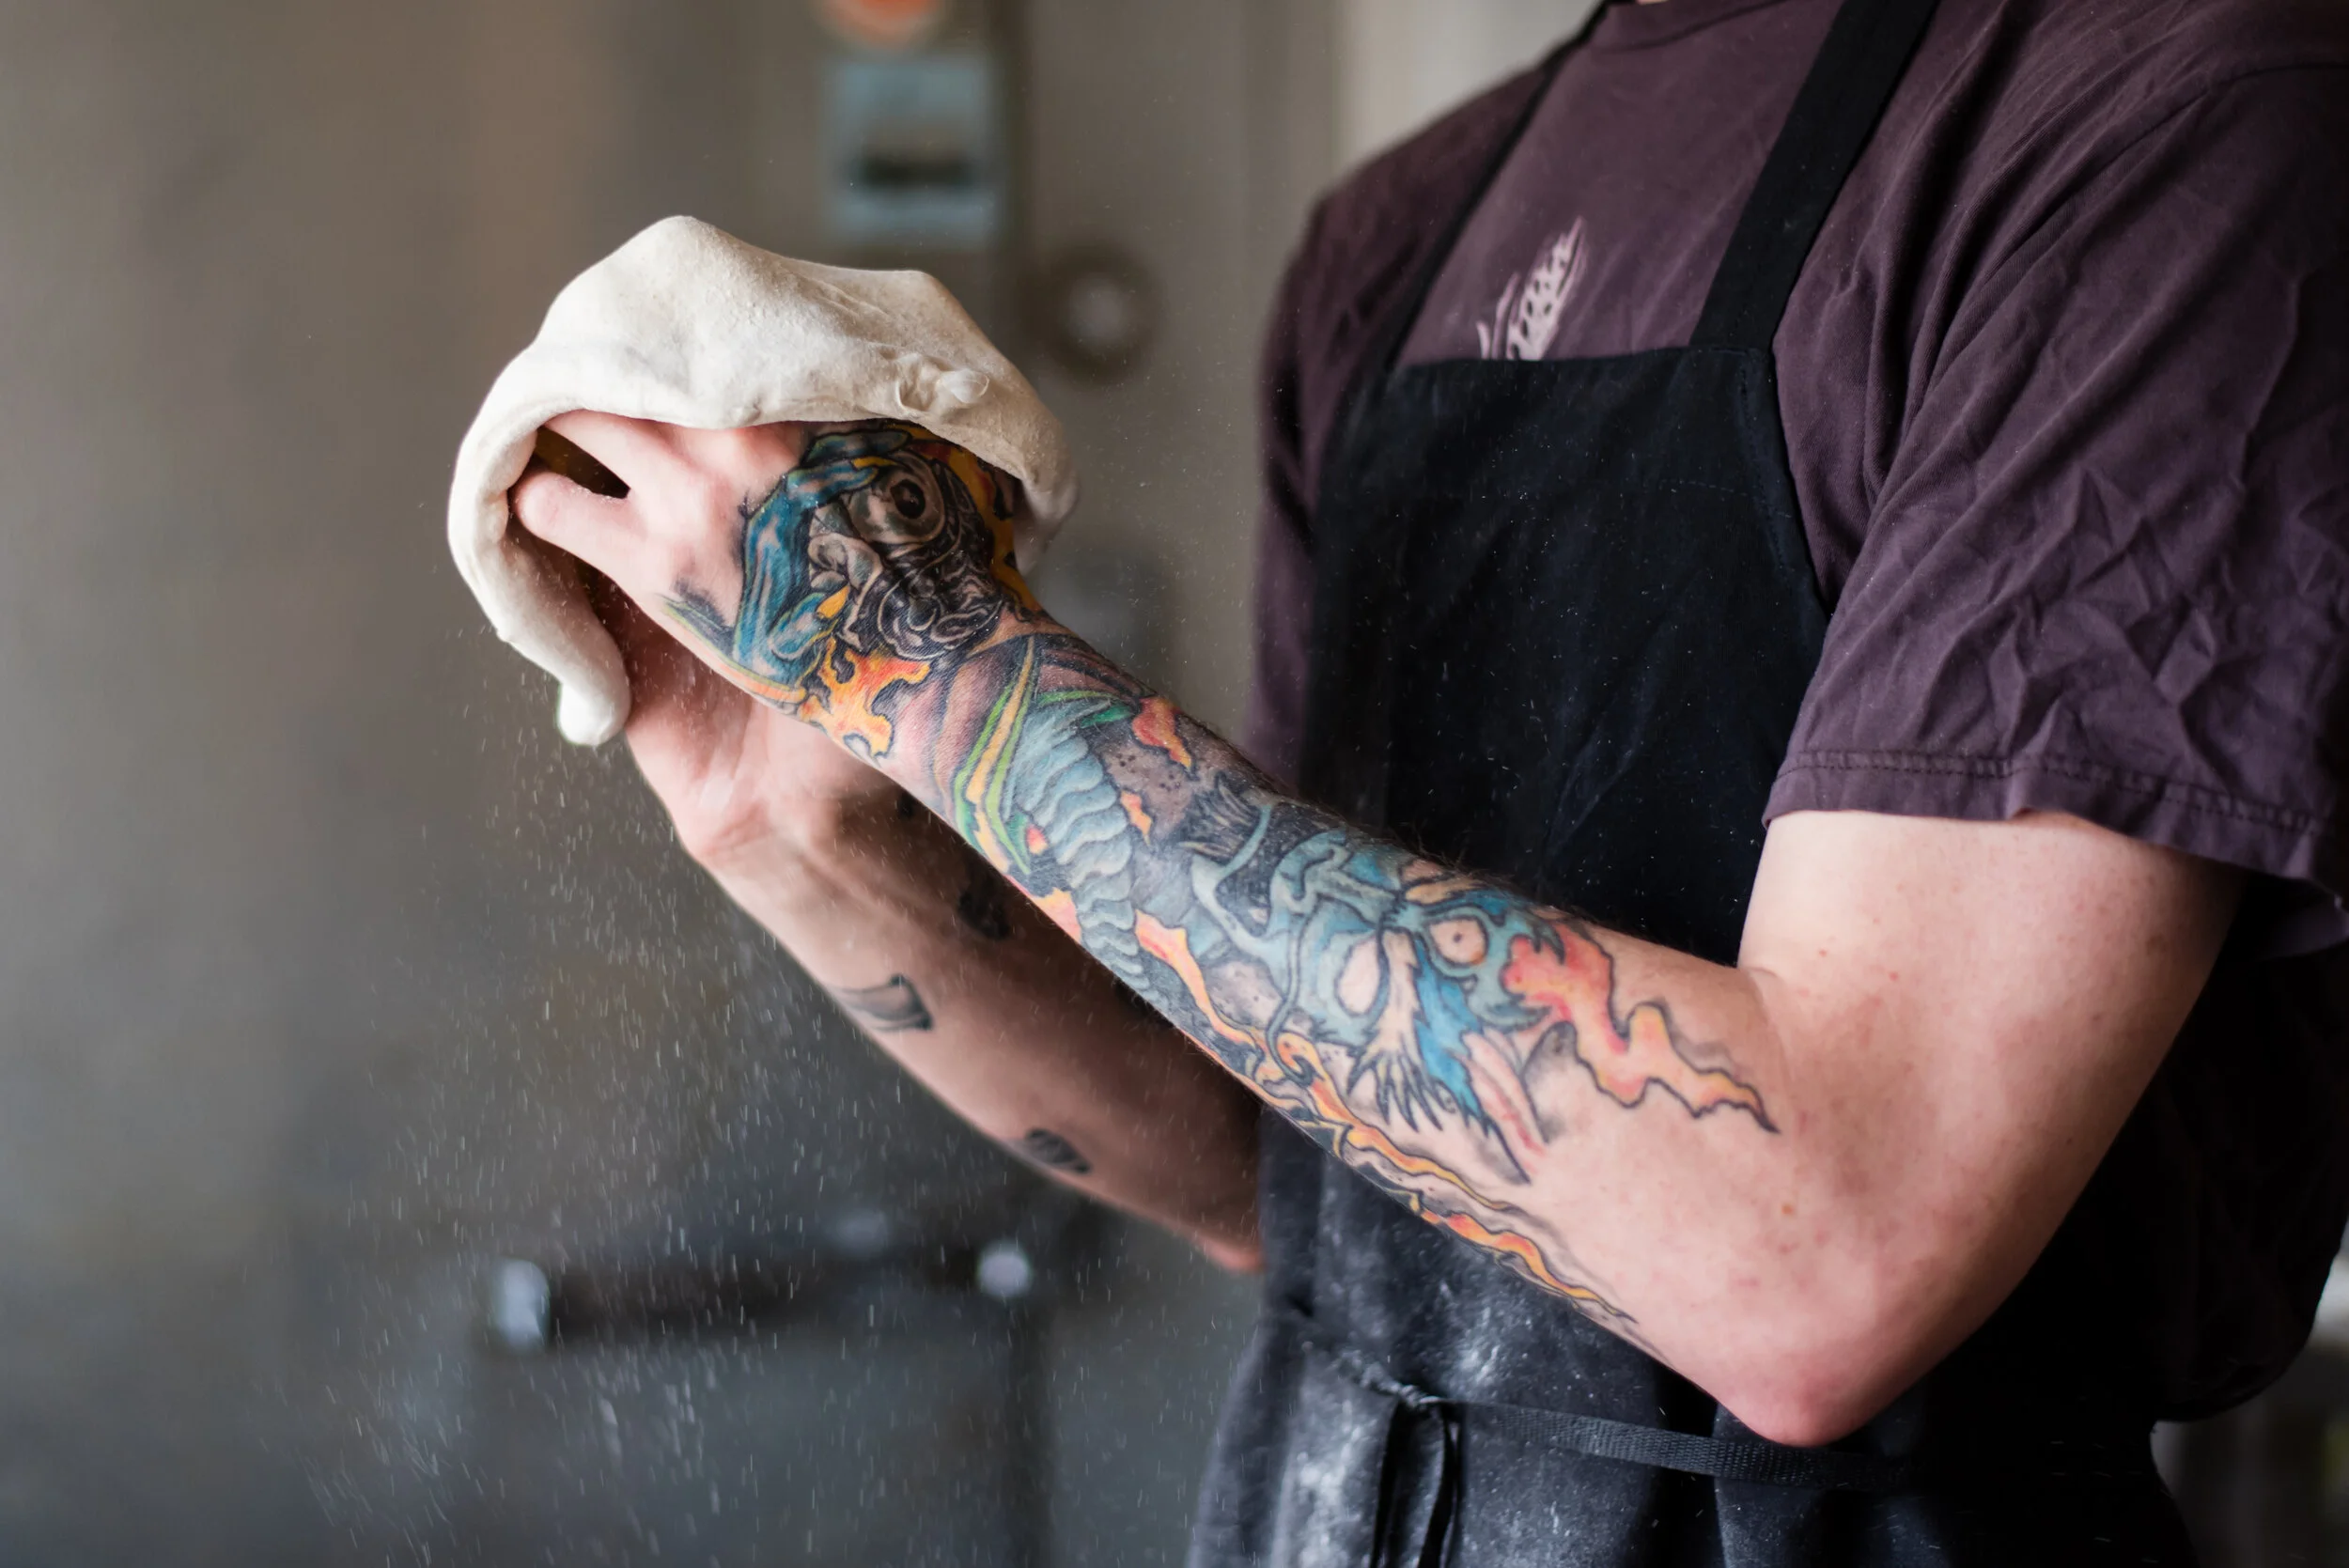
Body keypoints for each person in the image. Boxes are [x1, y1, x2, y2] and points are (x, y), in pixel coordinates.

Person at [507, 0, 2349, 1559]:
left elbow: (1821, 1254)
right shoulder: (1395, 240)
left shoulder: (2169, 127)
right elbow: (1294, 1162)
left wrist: (928, 669)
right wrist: (782, 806)